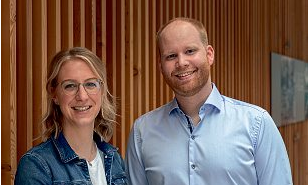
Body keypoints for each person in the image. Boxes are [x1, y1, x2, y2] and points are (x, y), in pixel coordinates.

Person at [125, 17, 293, 185]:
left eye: (190, 51)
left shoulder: (257, 124)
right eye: (171, 56)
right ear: (161, 66)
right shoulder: (142, 131)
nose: (181, 62)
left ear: (209, 54)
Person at [15, 47, 128, 185]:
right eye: (70, 86)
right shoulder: (37, 165)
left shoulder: (114, 159)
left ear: (102, 91)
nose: (82, 96)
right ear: (54, 94)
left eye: (90, 84)